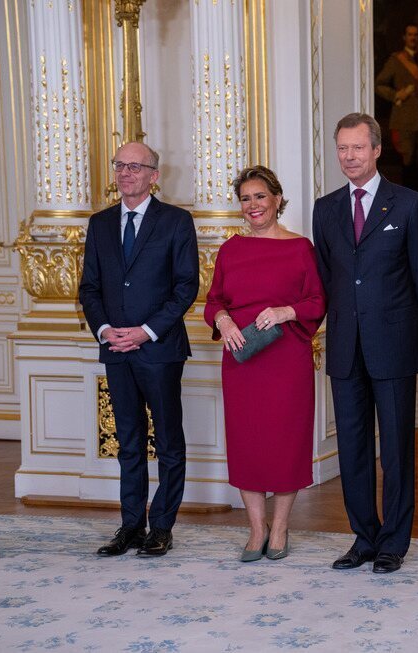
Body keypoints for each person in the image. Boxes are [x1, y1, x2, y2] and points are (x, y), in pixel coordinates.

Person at [312, 112, 418, 574]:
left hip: (395, 345)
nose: (349, 156)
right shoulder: (325, 209)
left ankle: (394, 542)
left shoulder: (409, 204)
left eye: (358, 148)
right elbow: (328, 279)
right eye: (342, 148)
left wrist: (402, 329)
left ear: (377, 150)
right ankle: (363, 537)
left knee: (398, 449)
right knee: (353, 447)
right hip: (345, 347)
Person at [79, 142, 199, 557]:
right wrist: (106, 329)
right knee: (128, 441)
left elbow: (187, 286)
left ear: (154, 175)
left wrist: (146, 331)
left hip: (160, 350)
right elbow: (89, 288)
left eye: (135, 166)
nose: (126, 172)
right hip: (116, 350)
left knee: (168, 441)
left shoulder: (176, 222)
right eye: (119, 165)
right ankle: (131, 525)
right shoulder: (100, 224)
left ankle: (162, 526)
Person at [204, 166, 326, 562]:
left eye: (260, 196)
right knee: (248, 443)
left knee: (285, 443)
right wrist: (222, 320)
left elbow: (317, 302)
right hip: (242, 364)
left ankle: (280, 527)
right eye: (246, 199)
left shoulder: (300, 248)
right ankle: (256, 529)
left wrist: (285, 310)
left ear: (276, 199)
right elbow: (213, 300)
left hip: (286, 363)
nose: (253, 205)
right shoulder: (230, 250)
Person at [375, 22, 418, 192]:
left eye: (416, 35)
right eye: (410, 34)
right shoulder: (395, 60)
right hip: (403, 118)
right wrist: (397, 95)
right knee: (407, 160)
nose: (413, 38)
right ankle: (407, 198)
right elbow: (379, 84)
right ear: (404, 37)